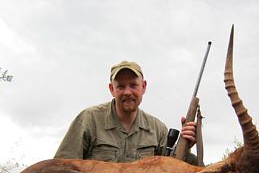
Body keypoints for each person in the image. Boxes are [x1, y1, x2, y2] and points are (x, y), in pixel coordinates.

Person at [54, 61, 197, 163]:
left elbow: (169, 172)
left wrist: (185, 145)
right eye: (121, 86)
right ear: (111, 89)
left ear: (144, 86)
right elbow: (61, 168)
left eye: (134, 85)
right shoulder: (88, 119)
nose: (127, 92)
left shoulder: (157, 129)